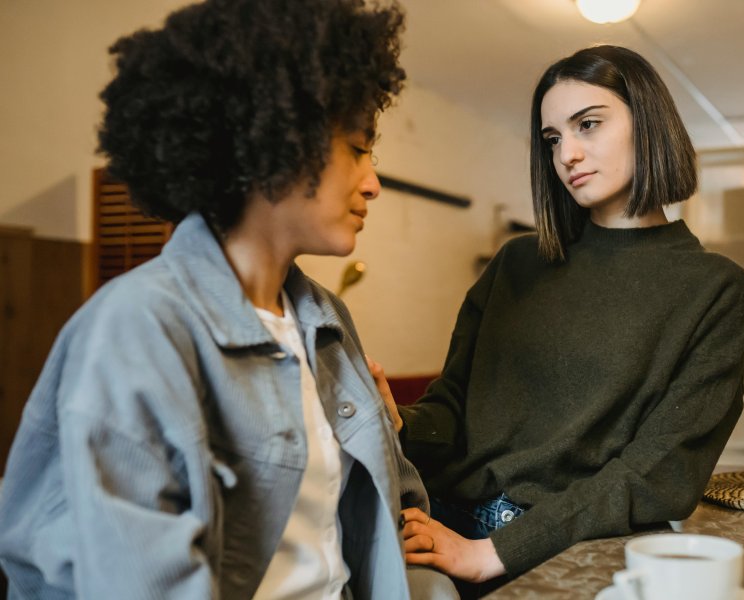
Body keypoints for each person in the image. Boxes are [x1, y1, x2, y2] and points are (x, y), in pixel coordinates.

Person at [0, 1, 456, 598]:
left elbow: (391, 513)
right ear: (271, 141)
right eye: (355, 147)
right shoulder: (137, 327)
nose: (371, 182)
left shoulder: (325, 320)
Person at [372, 45, 744, 586]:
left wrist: (492, 552)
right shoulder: (516, 264)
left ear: (648, 123)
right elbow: (455, 408)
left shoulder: (715, 289)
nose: (567, 154)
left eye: (588, 125)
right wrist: (397, 423)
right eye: (553, 139)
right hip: (440, 527)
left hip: (572, 553)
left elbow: (658, 474)